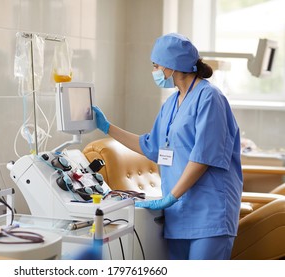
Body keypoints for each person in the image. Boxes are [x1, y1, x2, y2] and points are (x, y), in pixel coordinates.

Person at [92, 33, 243, 260]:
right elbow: (150, 146)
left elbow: (202, 157)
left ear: (172, 65)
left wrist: (171, 196)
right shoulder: (171, 103)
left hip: (209, 213)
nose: (154, 71)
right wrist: (107, 127)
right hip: (178, 216)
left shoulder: (210, 98)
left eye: (156, 65)